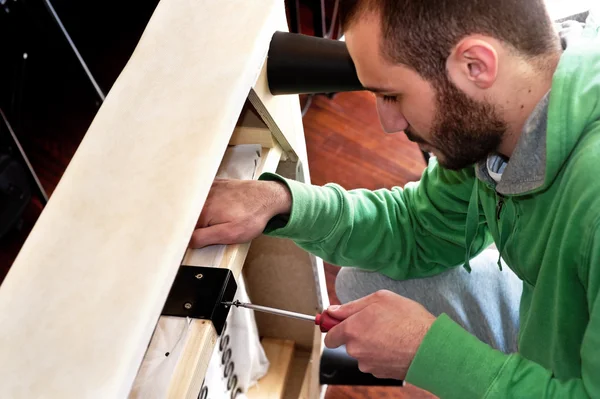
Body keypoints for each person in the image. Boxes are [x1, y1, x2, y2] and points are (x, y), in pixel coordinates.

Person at [191, 1, 600, 397]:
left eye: (392, 95)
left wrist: (430, 353)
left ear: (476, 65)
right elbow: (419, 228)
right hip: (557, 311)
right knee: (365, 278)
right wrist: (283, 201)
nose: (388, 124)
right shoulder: (504, 112)